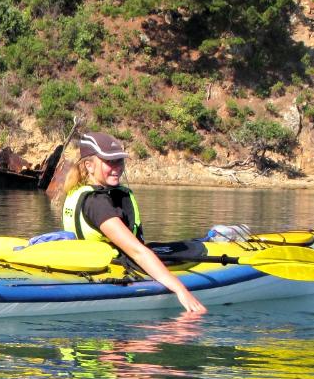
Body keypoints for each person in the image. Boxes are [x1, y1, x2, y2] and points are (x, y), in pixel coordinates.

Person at [62, 131, 207, 314]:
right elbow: (137, 252)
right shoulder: (97, 203)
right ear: (89, 166)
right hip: (112, 268)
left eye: (119, 161)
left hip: (90, 264)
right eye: (109, 162)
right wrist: (181, 290)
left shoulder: (80, 191)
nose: (117, 167)